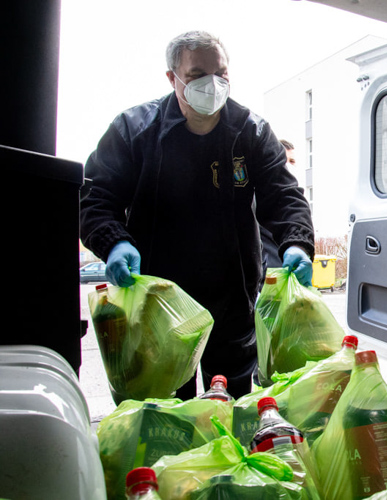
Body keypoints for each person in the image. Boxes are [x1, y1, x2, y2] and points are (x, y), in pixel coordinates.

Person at [79, 31, 315, 399]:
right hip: (157, 305)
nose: (212, 84)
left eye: (221, 73)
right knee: (168, 410)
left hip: (232, 300)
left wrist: (297, 243)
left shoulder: (250, 132)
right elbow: (95, 195)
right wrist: (114, 242)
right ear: (172, 78)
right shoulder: (134, 130)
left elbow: (283, 196)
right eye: (197, 75)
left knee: (233, 402)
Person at [260, 139, 296, 269]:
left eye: (292, 161)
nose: (288, 166)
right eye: (283, 161)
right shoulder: (258, 203)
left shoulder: (295, 206)